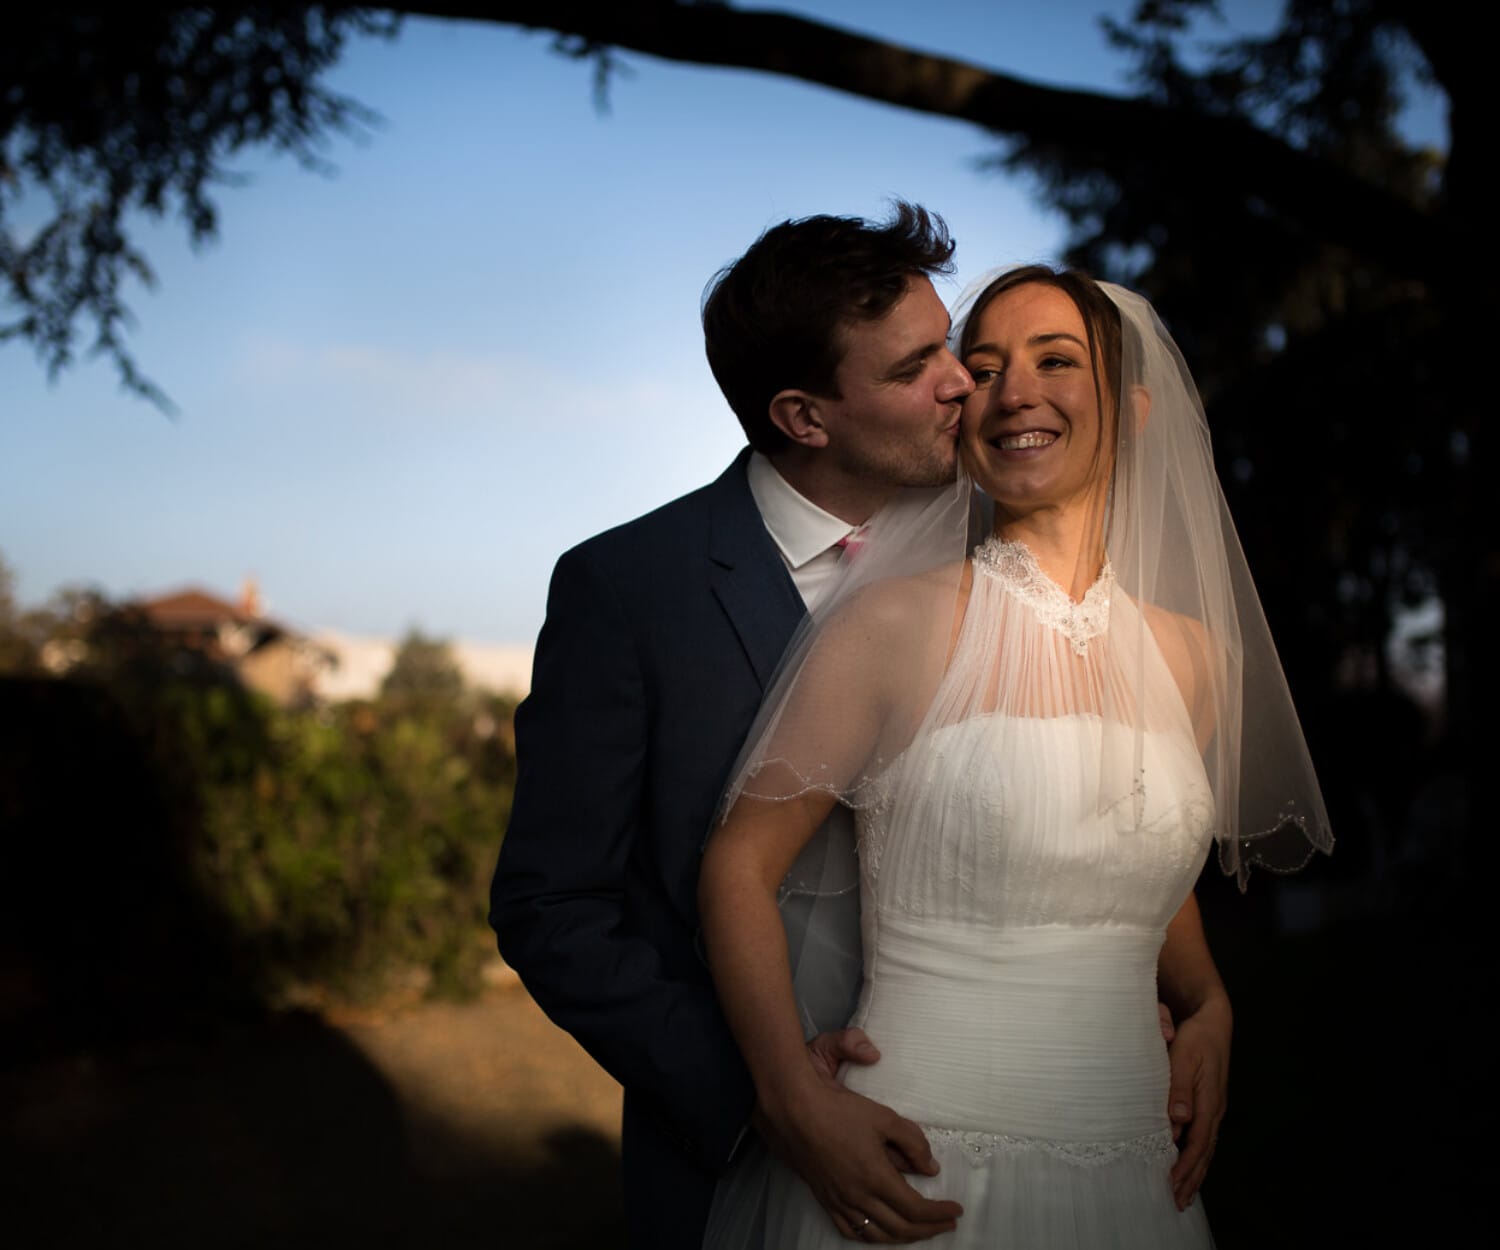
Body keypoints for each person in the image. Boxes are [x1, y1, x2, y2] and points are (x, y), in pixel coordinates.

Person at [699, 266, 1332, 1247]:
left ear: (1133, 406)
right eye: (983, 367)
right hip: (914, 1164)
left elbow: (1135, 864)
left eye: (1056, 360)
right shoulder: (891, 624)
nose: (1015, 392)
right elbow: (739, 863)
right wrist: (790, 1094)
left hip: (1134, 1181)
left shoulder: (1194, 658)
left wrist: (1206, 1001)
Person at [492, 204, 978, 1249]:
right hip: (736, 1170)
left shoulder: (998, 560)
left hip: (999, 1121)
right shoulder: (628, 589)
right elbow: (554, 905)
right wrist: (767, 1096)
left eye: (947, 338)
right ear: (804, 417)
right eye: (911, 367)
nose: (961, 380)